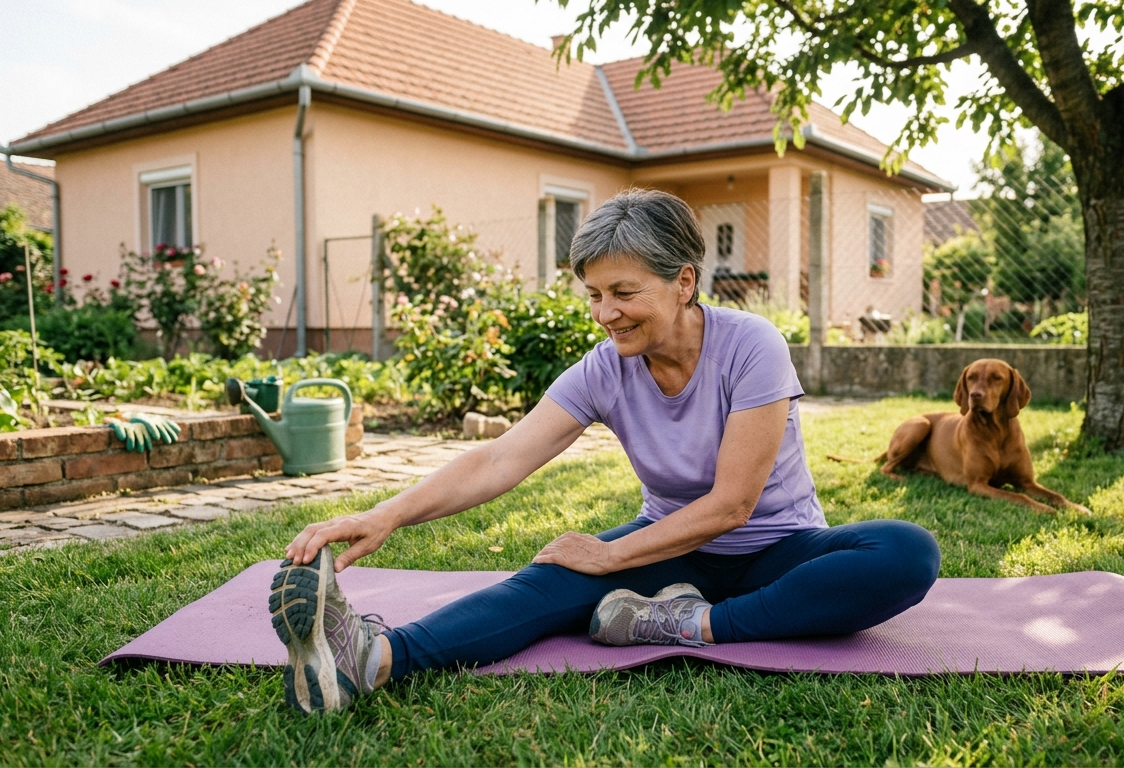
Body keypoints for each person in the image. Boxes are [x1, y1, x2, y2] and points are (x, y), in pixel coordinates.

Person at [269, 189, 941, 715]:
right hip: (667, 547)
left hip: (779, 551)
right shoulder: (604, 368)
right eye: (593, 294)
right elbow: (501, 459)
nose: (605, 313)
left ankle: (688, 625)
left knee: (907, 553)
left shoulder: (751, 345)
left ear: (683, 282)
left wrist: (613, 556)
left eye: (624, 293)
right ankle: (371, 659)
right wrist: (390, 513)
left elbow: (734, 503)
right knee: (543, 584)